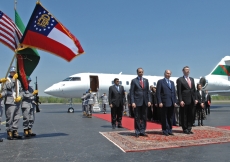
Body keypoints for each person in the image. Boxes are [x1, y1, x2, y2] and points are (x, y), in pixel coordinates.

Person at [0, 66, 23, 140]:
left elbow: (21, 90)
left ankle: (15, 131)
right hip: (10, 100)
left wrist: (20, 97)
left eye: (14, 72)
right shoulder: (7, 80)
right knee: (10, 117)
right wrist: (13, 80)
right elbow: (8, 88)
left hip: (17, 101)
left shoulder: (18, 81)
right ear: (10, 72)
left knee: (16, 117)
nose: (13, 73)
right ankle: (9, 131)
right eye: (12, 72)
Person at [130, 68, 151, 137]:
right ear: (137, 73)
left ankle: (142, 130)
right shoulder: (134, 81)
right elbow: (132, 92)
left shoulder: (146, 80)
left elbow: (148, 92)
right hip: (137, 102)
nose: (141, 73)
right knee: (137, 117)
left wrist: (149, 100)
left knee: (144, 117)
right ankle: (137, 131)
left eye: (142, 72)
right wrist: (132, 102)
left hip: (145, 101)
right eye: (139, 72)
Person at [177, 66, 197, 134]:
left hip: (192, 100)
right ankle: (185, 128)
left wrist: (195, 99)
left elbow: (194, 90)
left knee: (191, 115)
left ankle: (189, 128)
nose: (188, 71)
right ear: (183, 71)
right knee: (184, 115)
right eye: (186, 70)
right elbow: (179, 91)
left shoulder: (192, 79)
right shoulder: (180, 80)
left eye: (188, 70)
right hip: (184, 100)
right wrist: (180, 100)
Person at [156, 70, 177, 136]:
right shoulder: (160, 82)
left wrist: (175, 101)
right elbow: (158, 93)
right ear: (165, 74)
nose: (168, 75)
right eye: (167, 73)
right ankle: (165, 130)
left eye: (170, 74)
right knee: (164, 117)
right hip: (164, 102)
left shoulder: (172, 82)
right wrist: (159, 102)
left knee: (170, 117)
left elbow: (174, 93)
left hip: (171, 102)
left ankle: (170, 129)